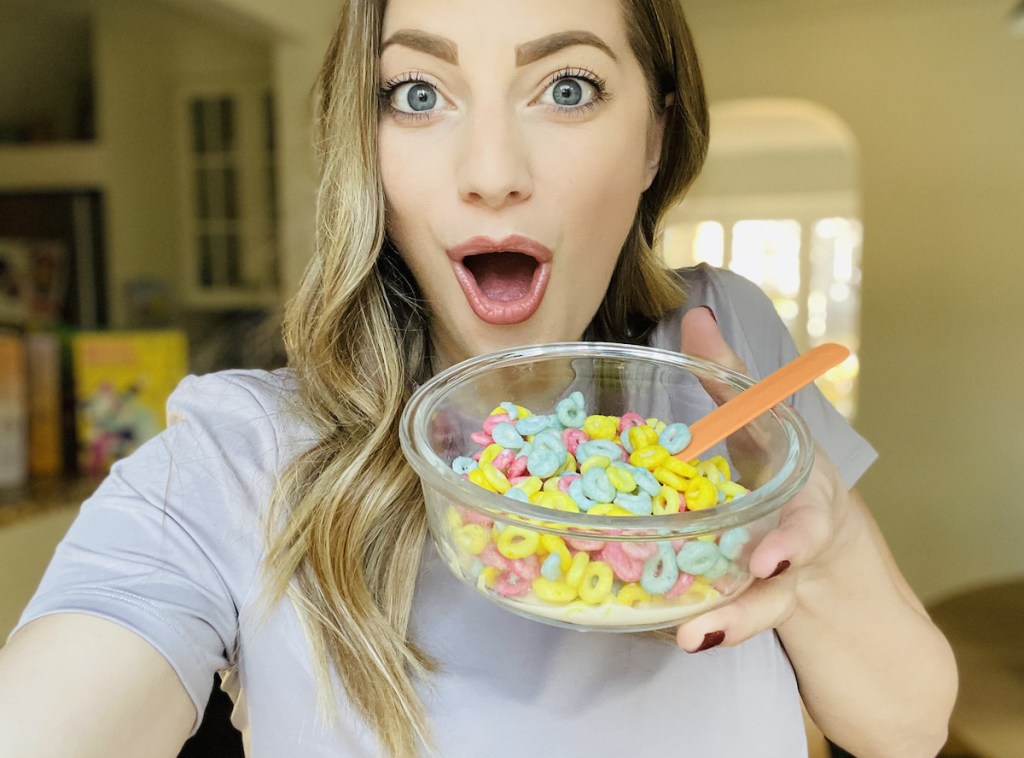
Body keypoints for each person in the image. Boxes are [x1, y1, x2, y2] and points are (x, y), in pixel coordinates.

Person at [0, 1, 957, 756]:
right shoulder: (238, 454)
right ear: (362, 144)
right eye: (418, 94)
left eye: (569, 85)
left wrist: (825, 547)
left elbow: (908, 730)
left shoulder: (719, 348)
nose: (491, 172)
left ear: (656, 140)